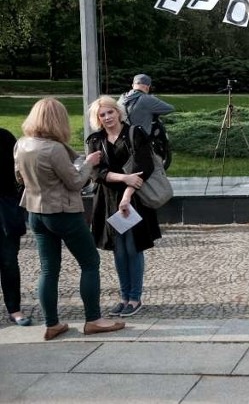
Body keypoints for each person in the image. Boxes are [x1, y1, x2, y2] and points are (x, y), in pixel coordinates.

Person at [13, 98, 125, 340]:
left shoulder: (22, 144)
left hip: (35, 212)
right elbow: (76, 182)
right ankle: (94, 320)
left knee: (48, 269)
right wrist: (88, 164)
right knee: (90, 262)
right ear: (57, 120)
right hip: (63, 213)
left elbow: (20, 179)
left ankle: (52, 324)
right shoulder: (53, 149)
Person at [85, 96, 162, 319]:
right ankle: (124, 297)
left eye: (110, 112)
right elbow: (95, 173)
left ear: (118, 112)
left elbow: (143, 168)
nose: (107, 117)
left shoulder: (135, 133)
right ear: (97, 119)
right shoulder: (95, 140)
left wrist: (127, 194)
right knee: (118, 249)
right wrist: (123, 178)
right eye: (102, 114)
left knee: (133, 247)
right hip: (108, 199)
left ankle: (135, 297)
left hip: (133, 198)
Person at [0, 127, 31, 327]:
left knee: (9, 261)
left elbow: (19, 172)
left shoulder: (5, 137)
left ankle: (14, 309)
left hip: (5, 208)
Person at [118, 74, 174, 168]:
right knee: (152, 171)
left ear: (133, 85)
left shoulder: (122, 99)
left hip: (123, 141)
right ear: (147, 87)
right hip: (142, 142)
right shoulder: (146, 99)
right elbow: (169, 108)